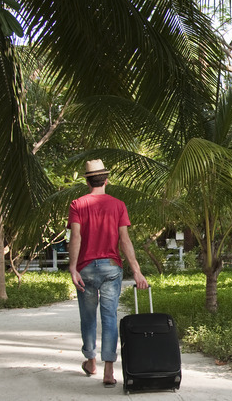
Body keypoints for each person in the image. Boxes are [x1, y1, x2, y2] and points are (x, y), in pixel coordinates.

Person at [68, 159, 148, 388]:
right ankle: (109, 371)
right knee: (110, 318)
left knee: (88, 317)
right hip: (112, 268)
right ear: (107, 179)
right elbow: (124, 240)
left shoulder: (77, 204)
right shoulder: (118, 205)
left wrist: (73, 267)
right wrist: (137, 272)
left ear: (87, 180)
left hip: (85, 269)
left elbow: (76, 237)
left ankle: (91, 362)